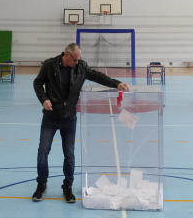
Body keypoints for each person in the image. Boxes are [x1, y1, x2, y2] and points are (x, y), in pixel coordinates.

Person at [32, 43, 131, 203]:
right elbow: (37, 83)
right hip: (50, 117)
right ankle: (41, 185)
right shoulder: (50, 65)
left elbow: (98, 76)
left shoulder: (81, 67)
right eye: (75, 59)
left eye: (79, 59)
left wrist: (117, 83)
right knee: (43, 152)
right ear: (66, 55)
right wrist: (44, 99)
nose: (77, 62)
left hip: (69, 118)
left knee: (69, 154)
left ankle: (68, 187)